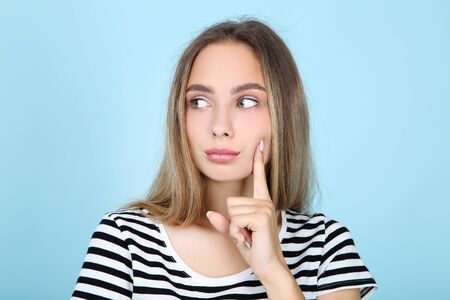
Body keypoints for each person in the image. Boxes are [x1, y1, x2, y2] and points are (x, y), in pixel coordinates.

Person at [72, 17, 378, 299]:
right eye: (200, 102)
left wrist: (273, 272)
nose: (220, 127)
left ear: (283, 117)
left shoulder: (325, 246)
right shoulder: (125, 240)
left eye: (246, 102)